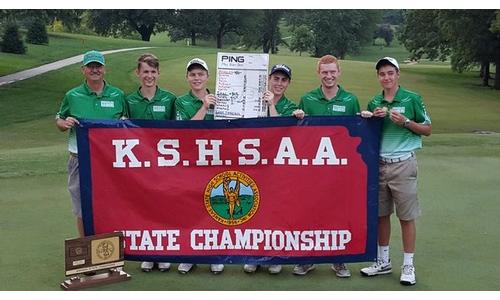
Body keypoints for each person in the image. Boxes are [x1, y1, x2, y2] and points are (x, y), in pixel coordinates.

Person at [360, 57, 431, 286]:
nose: (386, 77)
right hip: (380, 164)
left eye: (390, 73)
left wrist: (406, 122)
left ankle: (408, 264)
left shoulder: (412, 98)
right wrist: (369, 118)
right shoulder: (374, 102)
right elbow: (369, 135)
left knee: (406, 216)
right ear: (378, 77)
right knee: (381, 215)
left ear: (397, 74)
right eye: (382, 74)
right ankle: (383, 261)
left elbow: (427, 129)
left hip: (403, 164)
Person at [292, 55, 360, 278]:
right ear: (318, 73)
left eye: (332, 71)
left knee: (338, 212)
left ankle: (338, 259)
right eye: (324, 72)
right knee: (310, 211)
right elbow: (298, 136)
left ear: (339, 72)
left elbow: (358, 133)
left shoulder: (350, 100)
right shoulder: (308, 99)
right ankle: (308, 258)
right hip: (312, 170)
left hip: (340, 170)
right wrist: (297, 118)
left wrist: (366, 119)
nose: (329, 76)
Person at [55, 50, 127, 238]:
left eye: (98, 66)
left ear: (104, 69)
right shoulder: (72, 95)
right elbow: (59, 120)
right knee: (82, 208)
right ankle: (87, 250)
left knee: (111, 205)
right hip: (80, 159)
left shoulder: (118, 95)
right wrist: (65, 123)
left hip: (109, 162)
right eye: (90, 66)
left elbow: (127, 125)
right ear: (83, 70)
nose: (95, 70)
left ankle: (110, 253)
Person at [242, 63, 303, 275]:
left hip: (277, 166)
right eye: (275, 79)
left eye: (283, 80)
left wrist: (271, 106)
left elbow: (280, 131)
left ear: (288, 83)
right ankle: (254, 255)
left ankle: (274, 256)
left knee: (276, 210)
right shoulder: (252, 99)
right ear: (269, 79)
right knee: (253, 208)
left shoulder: (290, 106)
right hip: (252, 164)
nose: (279, 83)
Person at [126, 53, 176, 273]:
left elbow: (180, 132)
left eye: (153, 72)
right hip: (139, 165)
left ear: (158, 73)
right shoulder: (128, 100)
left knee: (164, 206)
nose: (149, 76)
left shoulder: (169, 99)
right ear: (138, 73)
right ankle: (148, 253)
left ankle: (162, 252)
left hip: (164, 164)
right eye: (145, 71)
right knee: (143, 206)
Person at [175, 58, 224, 274]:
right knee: (191, 208)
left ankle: (214, 253)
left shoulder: (221, 98)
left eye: (200, 74)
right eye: (193, 74)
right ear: (187, 77)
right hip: (191, 162)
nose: (197, 78)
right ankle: (190, 254)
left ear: (207, 77)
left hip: (217, 161)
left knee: (215, 207)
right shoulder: (180, 102)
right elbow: (185, 131)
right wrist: (205, 107)